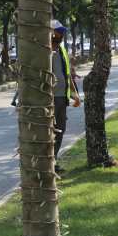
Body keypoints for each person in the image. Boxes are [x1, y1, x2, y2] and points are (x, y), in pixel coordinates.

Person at [50, 23, 80, 174]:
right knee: (50, 132)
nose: (59, 37)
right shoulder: (43, 51)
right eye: (57, 33)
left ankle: (53, 161)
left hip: (62, 98)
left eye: (61, 34)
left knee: (60, 130)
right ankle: (47, 164)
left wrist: (75, 95)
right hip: (49, 99)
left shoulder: (61, 50)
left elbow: (67, 75)